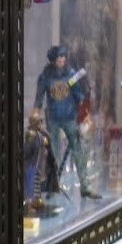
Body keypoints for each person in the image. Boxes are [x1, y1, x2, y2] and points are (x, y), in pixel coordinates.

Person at [34, 44, 98, 199]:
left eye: (63, 56)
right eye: (59, 57)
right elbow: (39, 97)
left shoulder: (71, 74)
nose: (62, 59)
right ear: (53, 59)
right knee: (52, 154)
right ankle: (52, 186)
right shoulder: (45, 76)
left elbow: (79, 95)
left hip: (69, 117)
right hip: (53, 119)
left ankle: (85, 185)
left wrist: (85, 114)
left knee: (77, 150)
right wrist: (35, 111)